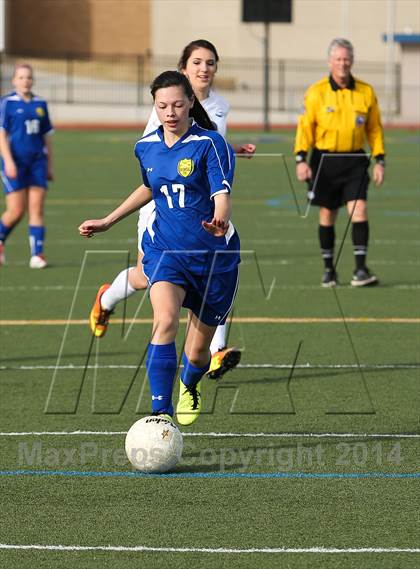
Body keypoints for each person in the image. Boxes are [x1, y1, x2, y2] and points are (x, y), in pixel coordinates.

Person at [79, 70, 240, 426]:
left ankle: (189, 384)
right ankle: (159, 414)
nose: (170, 112)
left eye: (178, 105)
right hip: (165, 250)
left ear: (190, 104)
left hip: (214, 259)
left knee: (197, 356)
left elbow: (221, 195)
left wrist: (220, 220)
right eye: (163, 105)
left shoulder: (211, 144)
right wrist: (108, 220)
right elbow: (150, 186)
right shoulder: (146, 146)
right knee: (164, 319)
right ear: (155, 106)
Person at [89, 39, 254, 379]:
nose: (203, 69)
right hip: (162, 205)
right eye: (196, 63)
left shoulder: (219, 105)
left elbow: (207, 148)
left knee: (214, 269)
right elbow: (162, 160)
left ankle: (214, 350)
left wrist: (233, 149)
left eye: (210, 63)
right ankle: (107, 298)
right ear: (183, 69)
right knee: (148, 276)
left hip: (203, 208)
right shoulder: (166, 105)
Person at [294, 38, 385, 287]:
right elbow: (306, 128)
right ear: (330, 61)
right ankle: (329, 270)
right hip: (324, 160)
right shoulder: (317, 92)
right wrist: (301, 159)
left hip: (355, 160)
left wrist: (380, 160)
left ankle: (360, 270)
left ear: (352, 61)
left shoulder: (365, 92)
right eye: (338, 59)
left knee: (360, 209)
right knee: (327, 214)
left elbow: (374, 129)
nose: (343, 63)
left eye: (346, 59)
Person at [0, 63, 54, 268]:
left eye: (29, 77)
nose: (26, 81)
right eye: (21, 77)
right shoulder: (7, 103)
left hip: (37, 162)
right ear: (14, 80)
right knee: (16, 210)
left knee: (36, 208)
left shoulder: (40, 103)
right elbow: (2, 135)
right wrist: (9, 161)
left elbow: (46, 137)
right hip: (16, 162)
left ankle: (37, 254)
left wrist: (50, 164)